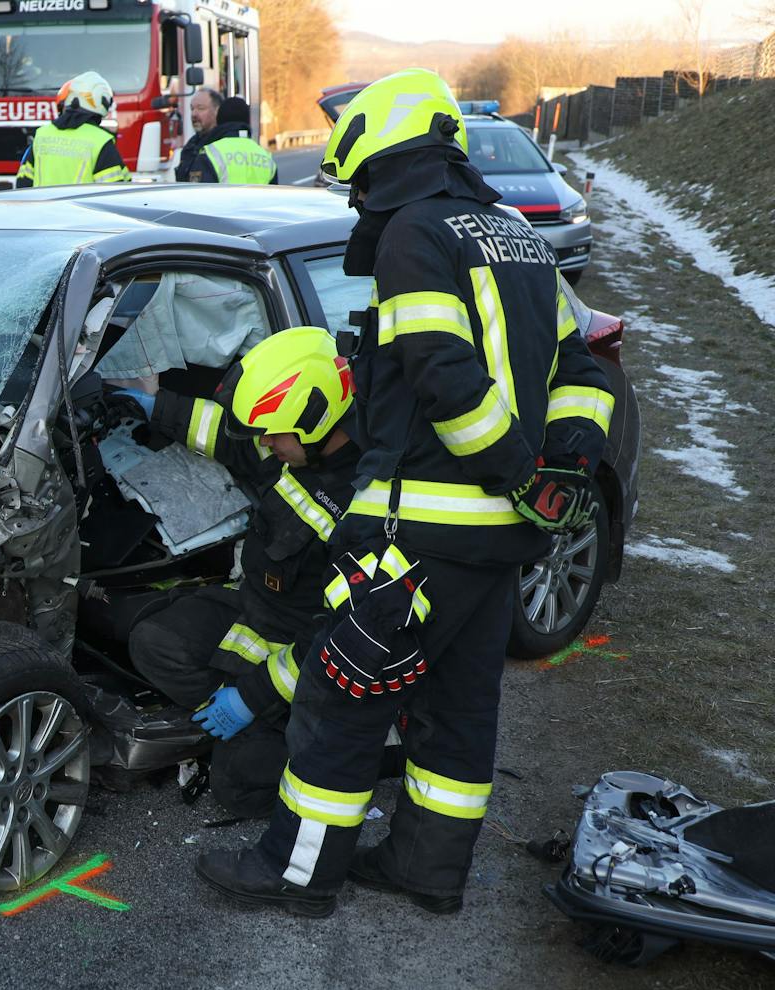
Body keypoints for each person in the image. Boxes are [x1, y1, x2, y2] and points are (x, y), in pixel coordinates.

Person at [194, 67, 613, 918]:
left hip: (421, 531)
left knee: (338, 701)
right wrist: (560, 463)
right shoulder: (514, 233)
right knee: (457, 709)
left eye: (357, 184)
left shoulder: (415, 233)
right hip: (502, 539)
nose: (357, 203)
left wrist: (511, 465)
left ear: (384, 153)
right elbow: (578, 369)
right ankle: (427, 868)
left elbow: (439, 367)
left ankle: (297, 872)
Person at [119, 327, 365, 817]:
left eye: (274, 433)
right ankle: (248, 724)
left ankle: (359, 751)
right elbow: (227, 439)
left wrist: (252, 698)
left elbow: (340, 637)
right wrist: (150, 407)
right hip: (256, 612)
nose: (266, 442)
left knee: (241, 787)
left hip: (311, 661)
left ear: (316, 422)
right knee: (151, 641)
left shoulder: (366, 506)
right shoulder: (297, 448)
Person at [15, 71, 130, 188]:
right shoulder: (100, 141)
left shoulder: (42, 135)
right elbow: (115, 191)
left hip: (42, 206)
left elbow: (23, 183)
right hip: (81, 207)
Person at [186, 96, 277, 184]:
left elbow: (199, 195)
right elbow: (274, 198)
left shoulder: (210, 154)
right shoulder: (266, 158)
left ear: (220, 119)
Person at [174, 87, 224, 182]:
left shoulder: (223, 144)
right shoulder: (190, 147)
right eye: (192, 108)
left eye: (201, 108)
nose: (194, 114)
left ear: (217, 111)